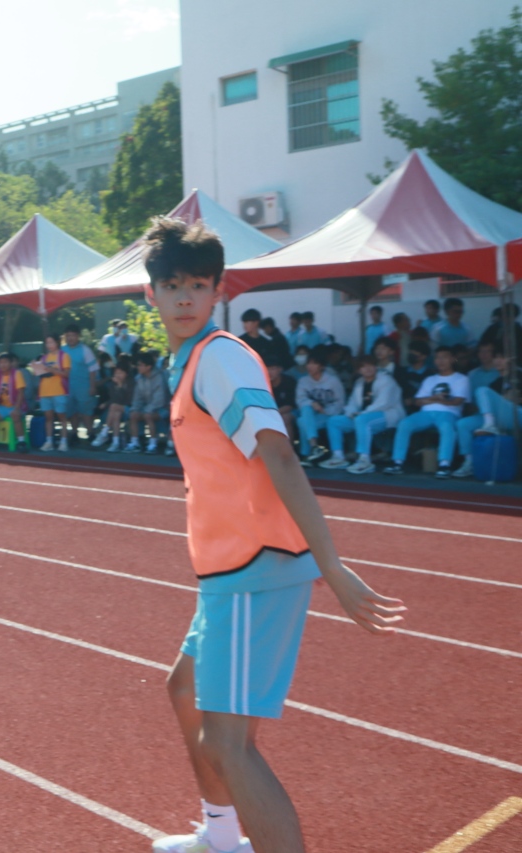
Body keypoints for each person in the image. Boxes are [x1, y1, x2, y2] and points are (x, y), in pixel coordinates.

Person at [141, 217, 404, 853]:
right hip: (227, 571)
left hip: (254, 569)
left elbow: (278, 453)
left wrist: (331, 564)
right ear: (151, 293)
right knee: (184, 689)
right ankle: (220, 837)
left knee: (228, 744)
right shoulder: (188, 361)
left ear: (218, 290)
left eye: (197, 285)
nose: (184, 298)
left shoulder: (220, 358)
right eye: (171, 286)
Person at [383, 346, 470, 478]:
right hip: (425, 413)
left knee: (447, 428)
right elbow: (417, 402)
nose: (440, 361)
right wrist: (436, 398)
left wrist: (429, 400)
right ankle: (397, 463)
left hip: (448, 413)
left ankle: (444, 464)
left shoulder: (461, 379)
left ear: (453, 359)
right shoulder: (430, 379)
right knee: (405, 424)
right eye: (437, 358)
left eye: (444, 357)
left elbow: (457, 401)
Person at [318, 355, 404, 473]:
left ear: (376, 367)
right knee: (333, 421)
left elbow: (384, 403)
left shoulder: (386, 380)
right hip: (362, 417)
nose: (368, 368)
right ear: (359, 370)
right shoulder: (359, 383)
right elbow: (352, 403)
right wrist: (350, 413)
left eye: (371, 365)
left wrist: (362, 413)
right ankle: (338, 456)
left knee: (362, 420)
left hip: (388, 415)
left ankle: (364, 459)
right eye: (363, 366)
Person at [453, 350, 520, 477]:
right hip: (499, 416)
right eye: (496, 357)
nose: (498, 361)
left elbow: (515, 399)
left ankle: (489, 425)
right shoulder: (495, 383)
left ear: (511, 359)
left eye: (502, 357)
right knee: (463, 424)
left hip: (518, 414)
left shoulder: (518, 375)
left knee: (482, 390)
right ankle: (469, 462)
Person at [294, 349, 345, 464]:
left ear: (321, 366)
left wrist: (326, 411)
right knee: (305, 412)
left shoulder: (333, 381)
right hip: (313, 415)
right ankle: (314, 446)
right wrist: (312, 403)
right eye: (308, 363)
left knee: (302, 421)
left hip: (330, 414)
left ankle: (306, 454)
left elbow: (340, 402)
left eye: (314, 363)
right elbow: (300, 400)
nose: (310, 366)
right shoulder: (303, 381)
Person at [33, 334, 71, 451]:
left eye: (51, 342)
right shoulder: (44, 358)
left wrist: (53, 370)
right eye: (47, 343)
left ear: (57, 342)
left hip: (59, 391)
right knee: (48, 418)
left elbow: (66, 374)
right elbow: (39, 374)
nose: (49, 345)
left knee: (62, 417)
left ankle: (63, 441)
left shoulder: (64, 356)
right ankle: (49, 441)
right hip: (45, 391)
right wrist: (36, 368)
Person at [126, 350, 168, 453]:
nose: (138, 367)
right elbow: (137, 397)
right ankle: (135, 443)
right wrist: (135, 409)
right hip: (147, 408)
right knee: (133, 414)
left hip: (164, 408)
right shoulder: (139, 378)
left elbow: (160, 399)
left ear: (148, 367)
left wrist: (147, 410)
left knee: (148, 416)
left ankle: (153, 444)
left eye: (140, 365)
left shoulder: (159, 377)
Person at [61, 325, 98, 441]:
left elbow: (93, 370)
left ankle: (90, 433)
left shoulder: (85, 350)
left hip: (84, 386)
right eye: (68, 336)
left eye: (73, 335)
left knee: (86, 411)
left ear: (78, 336)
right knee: (72, 411)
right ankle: (74, 434)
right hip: (67, 387)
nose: (70, 338)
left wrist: (92, 386)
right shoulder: (62, 350)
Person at [92, 360, 133, 451]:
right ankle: (115, 442)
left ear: (126, 373)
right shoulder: (113, 384)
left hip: (130, 408)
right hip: (118, 409)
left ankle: (104, 432)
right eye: (116, 373)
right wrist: (107, 403)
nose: (118, 375)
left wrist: (120, 386)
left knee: (114, 407)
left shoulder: (131, 383)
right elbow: (113, 398)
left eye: (121, 373)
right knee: (116, 413)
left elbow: (127, 401)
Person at [267, 361, 298, 441]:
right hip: (270, 412)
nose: (269, 372)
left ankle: (289, 446)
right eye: (267, 369)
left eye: (272, 369)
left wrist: (274, 413)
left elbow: (290, 405)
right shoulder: (263, 383)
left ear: (280, 369)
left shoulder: (289, 381)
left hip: (292, 411)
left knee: (285, 418)